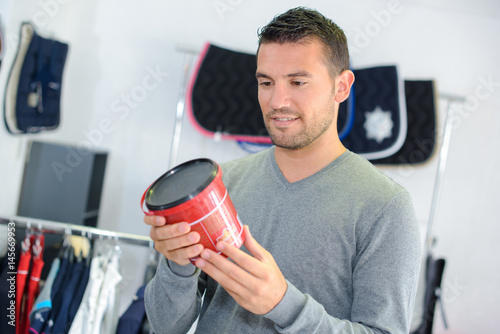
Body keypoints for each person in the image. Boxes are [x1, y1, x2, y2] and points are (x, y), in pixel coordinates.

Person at [144, 7, 421, 334]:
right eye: (266, 82)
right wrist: (177, 265)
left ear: (342, 87)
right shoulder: (223, 184)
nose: (277, 101)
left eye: (298, 81)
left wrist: (282, 304)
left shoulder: (386, 208)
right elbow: (166, 327)